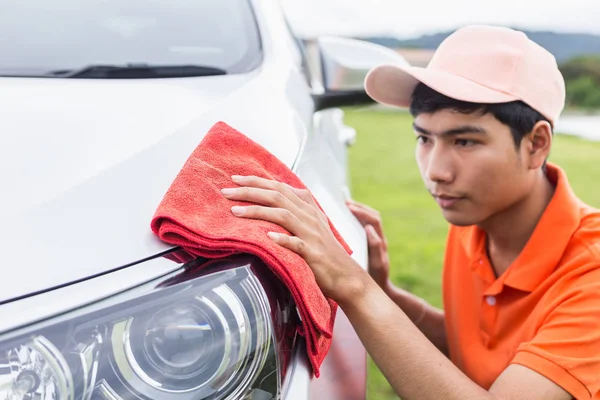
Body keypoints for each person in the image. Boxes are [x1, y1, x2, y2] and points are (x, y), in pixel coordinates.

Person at [220, 25, 600, 399]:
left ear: (536, 143)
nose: (436, 170)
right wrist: (387, 293)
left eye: (464, 141)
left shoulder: (592, 276)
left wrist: (357, 287)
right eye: (424, 138)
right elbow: (472, 347)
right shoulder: (476, 221)